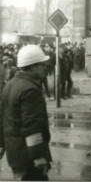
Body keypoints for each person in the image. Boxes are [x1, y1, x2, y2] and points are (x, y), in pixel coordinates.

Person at [0, 45, 52, 180]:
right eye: (42, 65)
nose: (45, 68)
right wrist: (38, 156)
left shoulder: (10, 85)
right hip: (29, 157)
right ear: (33, 67)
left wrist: (1, 144)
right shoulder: (30, 90)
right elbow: (32, 125)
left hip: (15, 154)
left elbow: (3, 118)